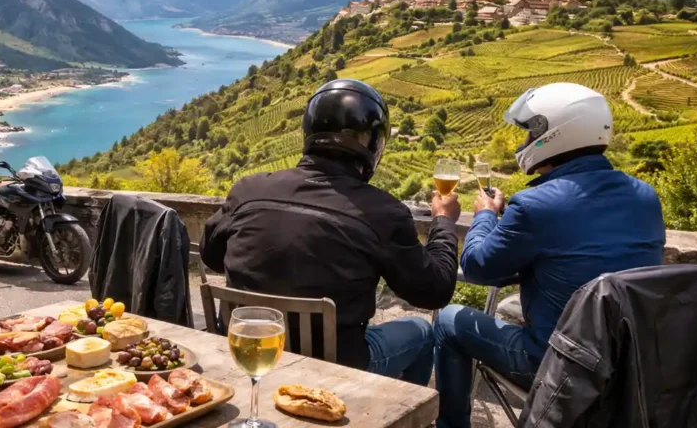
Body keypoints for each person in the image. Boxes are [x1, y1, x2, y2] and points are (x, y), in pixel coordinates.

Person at [433, 83, 666, 428]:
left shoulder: (536, 205)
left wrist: (485, 214)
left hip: (564, 369)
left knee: (450, 320)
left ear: (554, 135)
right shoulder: (645, 196)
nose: (522, 144)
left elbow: (479, 267)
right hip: (631, 366)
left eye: (528, 134)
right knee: (512, 307)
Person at [200, 79, 460, 384]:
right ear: (374, 144)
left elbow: (212, 256)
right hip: (334, 373)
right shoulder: (383, 213)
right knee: (421, 332)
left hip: (249, 356)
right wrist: (443, 221)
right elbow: (434, 291)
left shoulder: (247, 191)